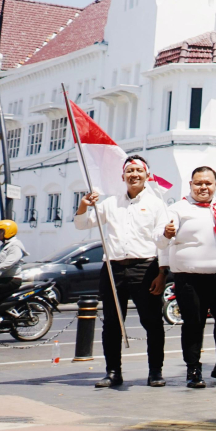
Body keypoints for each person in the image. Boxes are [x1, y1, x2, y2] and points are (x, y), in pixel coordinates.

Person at [74, 155, 169, 388]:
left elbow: (163, 242)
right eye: (130, 171)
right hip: (113, 268)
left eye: (139, 170)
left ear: (147, 175)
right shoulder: (110, 203)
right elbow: (82, 224)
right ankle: (113, 372)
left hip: (145, 268)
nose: (134, 174)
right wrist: (84, 204)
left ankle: (155, 372)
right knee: (113, 324)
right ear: (123, 176)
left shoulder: (157, 204)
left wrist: (162, 273)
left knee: (152, 321)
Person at [162, 166, 216, 389]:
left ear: (215, 185)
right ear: (190, 184)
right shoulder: (177, 209)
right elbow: (161, 240)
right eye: (198, 183)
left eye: (208, 183)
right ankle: (193, 369)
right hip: (190, 278)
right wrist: (166, 233)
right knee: (193, 324)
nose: (203, 187)